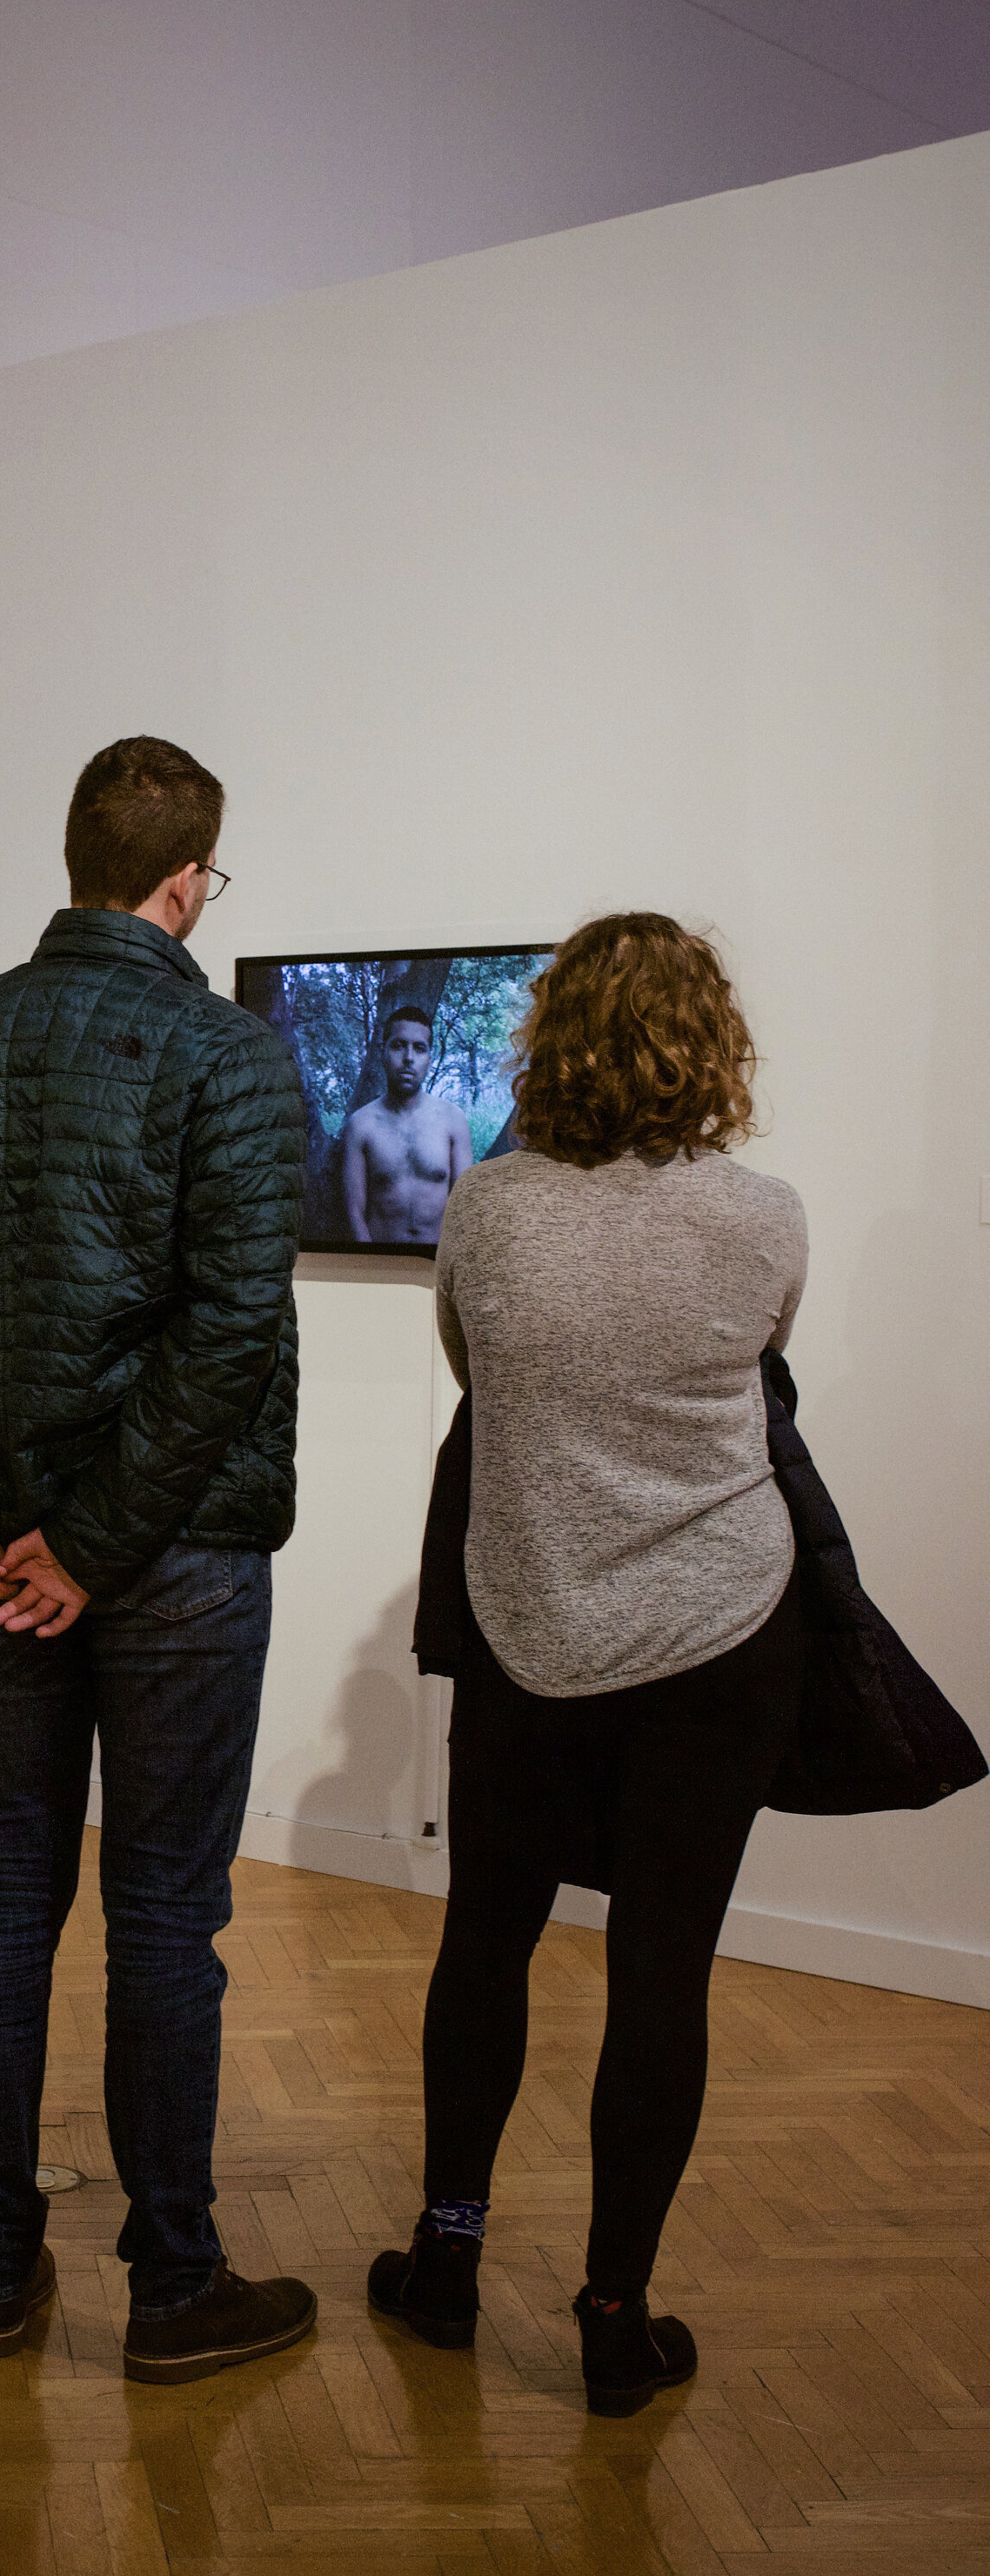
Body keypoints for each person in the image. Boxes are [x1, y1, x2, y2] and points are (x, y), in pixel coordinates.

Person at [0, 735, 318, 2384]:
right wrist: (95, 1546)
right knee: (166, 1916)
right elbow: (231, 1328)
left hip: (2, 1560)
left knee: (9, 1891)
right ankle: (173, 2287)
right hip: (167, 1555)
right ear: (189, 879)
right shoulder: (228, 1058)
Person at [368, 912, 809, 2417]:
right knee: (660, 1974)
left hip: (529, 1628)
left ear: (550, 1036)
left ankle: (446, 2257)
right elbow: (758, 1366)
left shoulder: (488, 1210)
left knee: (486, 1945)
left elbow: (475, 1378)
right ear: (710, 1039)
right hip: (718, 1639)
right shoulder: (767, 1216)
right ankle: (615, 2316)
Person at [341, 1005, 471, 1244]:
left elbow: (465, 1208)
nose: (409, 1058)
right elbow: (354, 1212)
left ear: (429, 1059)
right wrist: (371, 1266)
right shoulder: (361, 1125)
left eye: (419, 1048)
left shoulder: (453, 1120)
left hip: (436, 1264)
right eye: (399, 1045)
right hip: (380, 1264)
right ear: (383, 1053)